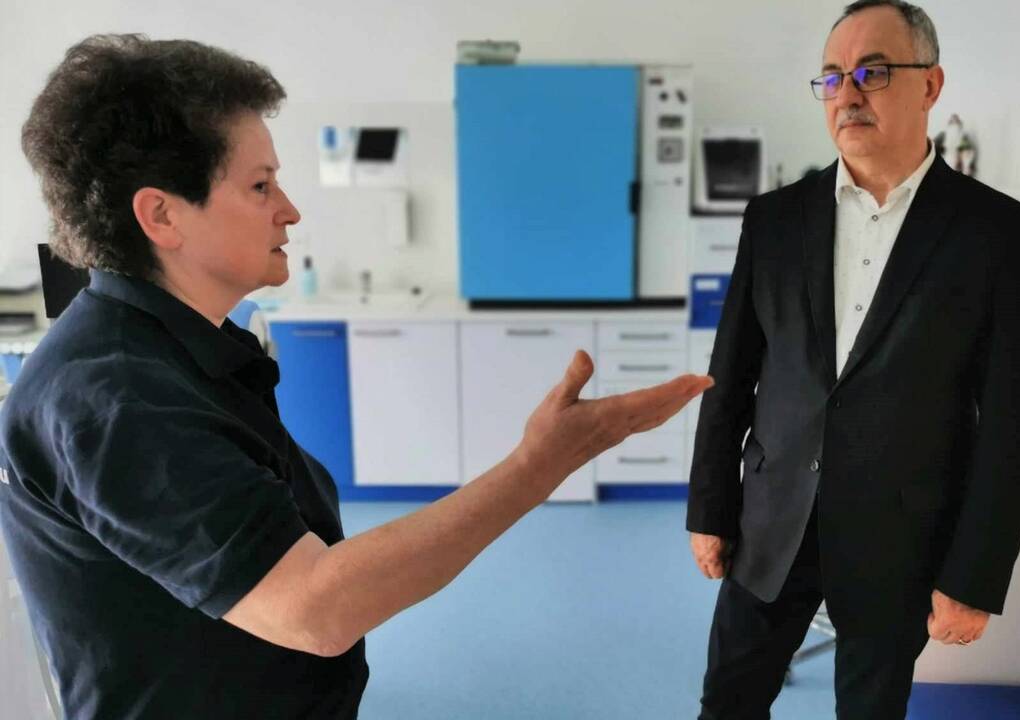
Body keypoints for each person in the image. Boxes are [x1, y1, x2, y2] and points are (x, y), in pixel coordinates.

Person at [0, 35, 713, 720]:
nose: (289, 210)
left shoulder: (174, 350)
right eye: (260, 185)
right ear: (161, 214)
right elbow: (314, 609)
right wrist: (539, 465)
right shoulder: (116, 398)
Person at [686, 1, 1020, 718]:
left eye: (873, 72)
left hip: (900, 537)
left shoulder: (1000, 233)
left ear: (930, 85)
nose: (847, 93)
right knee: (727, 701)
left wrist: (974, 577)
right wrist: (709, 507)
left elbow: (1015, 421)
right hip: (771, 522)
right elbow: (729, 378)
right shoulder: (774, 221)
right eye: (831, 77)